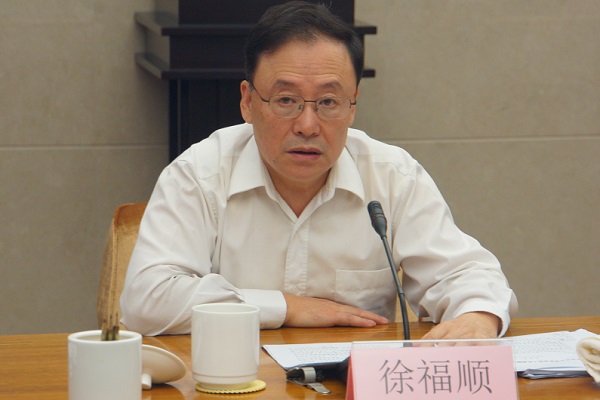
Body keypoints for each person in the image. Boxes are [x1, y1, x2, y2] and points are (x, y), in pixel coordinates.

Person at [120, 1, 517, 339]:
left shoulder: (392, 176)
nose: (307, 125)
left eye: (328, 102)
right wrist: (286, 307)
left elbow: (467, 274)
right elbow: (146, 301)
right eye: (285, 100)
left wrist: (478, 317)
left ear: (353, 105)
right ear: (248, 102)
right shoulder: (198, 174)